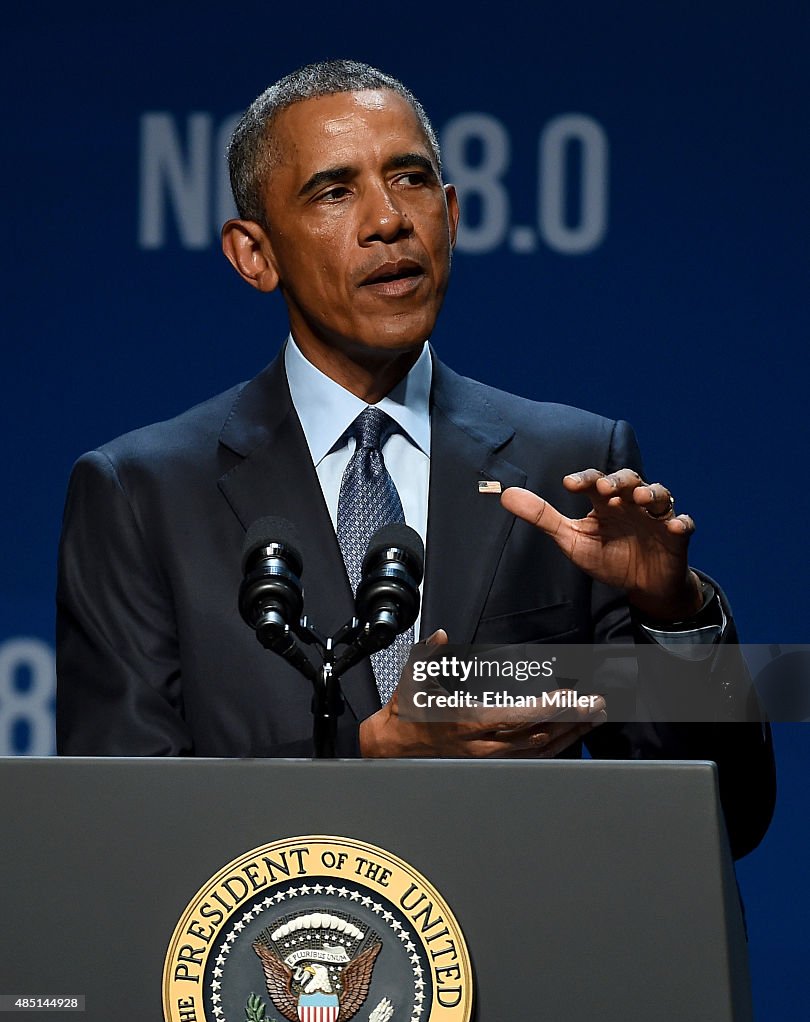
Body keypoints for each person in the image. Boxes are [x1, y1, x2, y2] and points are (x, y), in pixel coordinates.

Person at [56, 60, 774, 858]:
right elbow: (114, 832)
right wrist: (359, 760)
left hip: (527, 963)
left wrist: (674, 620)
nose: (389, 220)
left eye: (412, 179)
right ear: (254, 255)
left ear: (454, 214)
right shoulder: (140, 494)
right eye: (334, 192)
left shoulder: (571, 462)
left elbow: (719, 821)